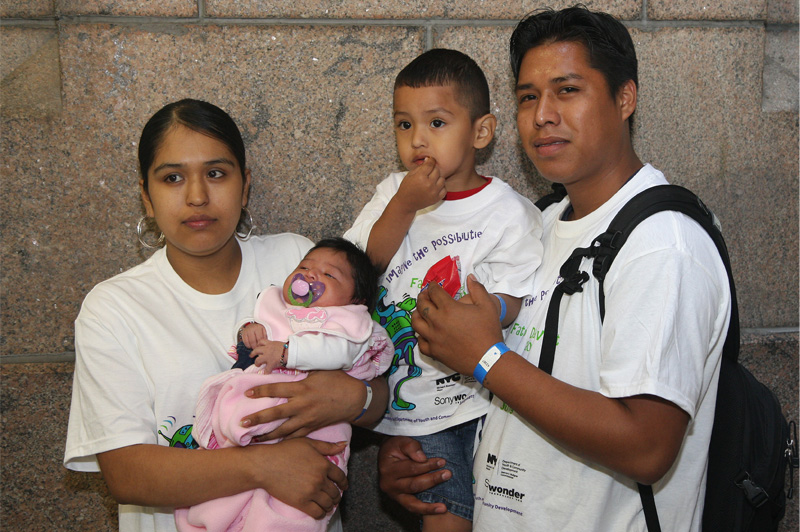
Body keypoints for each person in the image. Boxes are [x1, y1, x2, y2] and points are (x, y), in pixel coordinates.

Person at [383, 6, 732, 531]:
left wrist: (483, 357)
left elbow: (647, 446)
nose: (542, 114)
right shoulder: (535, 224)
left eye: (567, 90)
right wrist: (427, 453)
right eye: (528, 97)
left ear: (624, 98)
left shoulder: (663, 244)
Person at [63, 99, 388, 532]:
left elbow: (376, 388)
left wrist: (354, 398)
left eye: (216, 173)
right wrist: (262, 466)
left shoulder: (297, 261)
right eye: (173, 177)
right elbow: (127, 473)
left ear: (245, 184)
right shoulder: (113, 309)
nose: (197, 196)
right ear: (146, 195)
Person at [345, 48, 544, 531]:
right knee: (443, 511)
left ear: (480, 132)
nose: (417, 140)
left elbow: (518, 291)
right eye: (403, 124)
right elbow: (360, 270)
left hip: (487, 401)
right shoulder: (392, 194)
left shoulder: (507, 211)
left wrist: (489, 309)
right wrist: (404, 206)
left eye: (436, 123)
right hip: (416, 405)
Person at [175, 237, 393, 532]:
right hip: (259, 412)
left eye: (329, 275)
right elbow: (259, 325)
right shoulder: (278, 305)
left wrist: (288, 353)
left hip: (317, 424)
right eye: (305, 267)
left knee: (295, 501)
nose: (312, 275)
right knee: (229, 488)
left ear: (356, 301)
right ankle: (213, 519)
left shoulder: (345, 325)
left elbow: (337, 354)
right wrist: (250, 329)